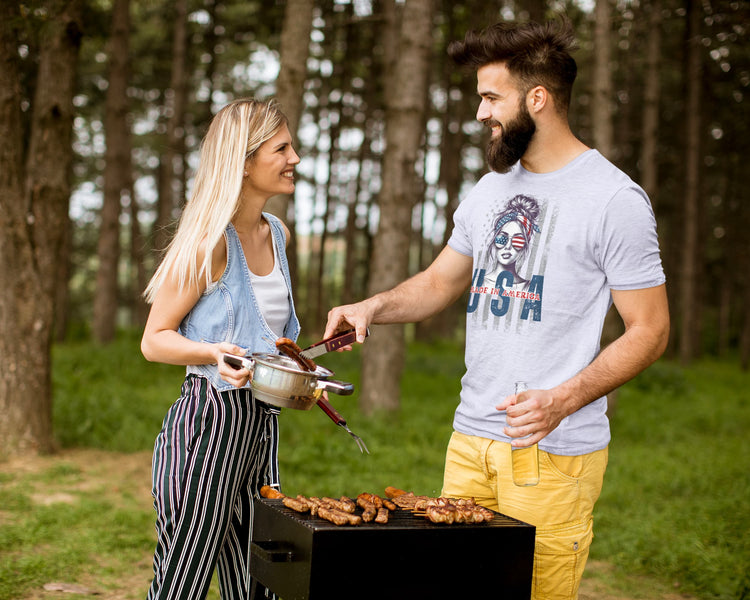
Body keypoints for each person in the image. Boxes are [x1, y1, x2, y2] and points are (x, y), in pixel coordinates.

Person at [324, 18, 669, 600]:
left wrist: (564, 399)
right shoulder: (490, 190)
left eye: (490, 97)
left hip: (553, 454)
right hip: (469, 442)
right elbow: (437, 284)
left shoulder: (613, 199)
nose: (480, 112)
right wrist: (372, 306)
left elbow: (651, 330)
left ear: (538, 99)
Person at [140, 97, 300, 600]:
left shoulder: (278, 233)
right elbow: (154, 340)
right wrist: (212, 354)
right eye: (282, 148)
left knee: (259, 578)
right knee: (183, 579)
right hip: (208, 427)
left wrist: (300, 372)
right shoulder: (209, 244)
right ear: (245, 162)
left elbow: (267, 335)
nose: (295, 158)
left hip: (260, 429)